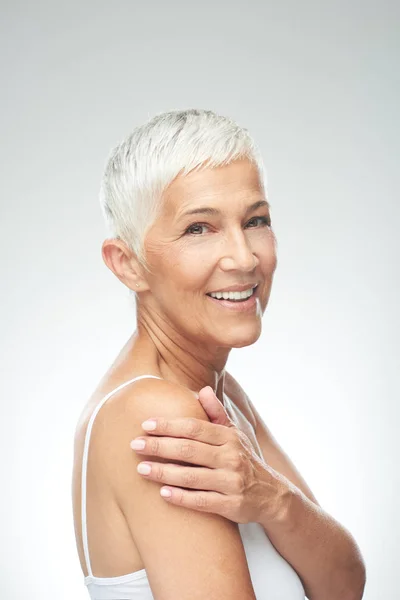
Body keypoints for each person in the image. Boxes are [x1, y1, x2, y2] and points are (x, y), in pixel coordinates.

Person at [71, 109, 322, 599]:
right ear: (128, 265)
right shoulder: (155, 414)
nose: (244, 257)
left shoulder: (221, 397)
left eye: (255, 221)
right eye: (199, 229)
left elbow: (343, 583)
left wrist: (275, 503)